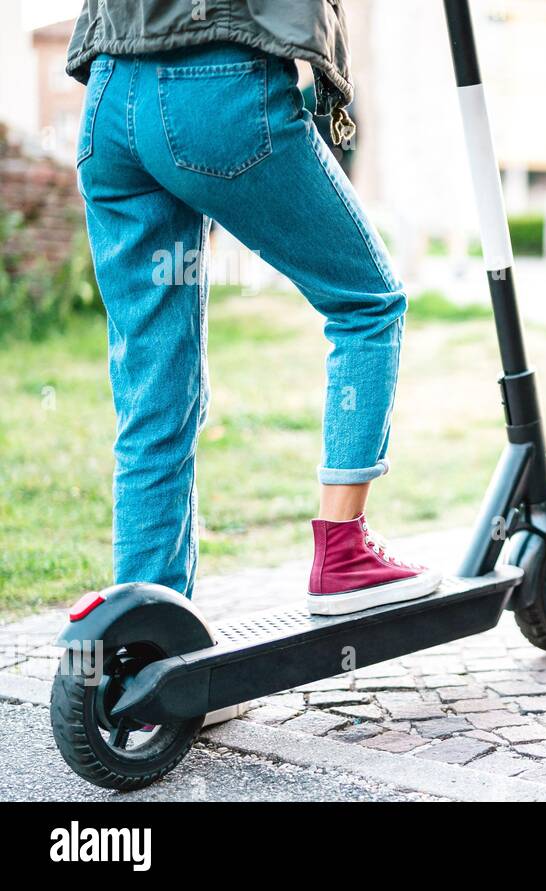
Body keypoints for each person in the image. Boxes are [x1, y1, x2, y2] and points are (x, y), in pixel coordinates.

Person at [67, 1, 438, 616]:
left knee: (153, 389)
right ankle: (344, 554)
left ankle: (150, 628)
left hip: (109, 99)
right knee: (367, 304)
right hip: (216, 84)